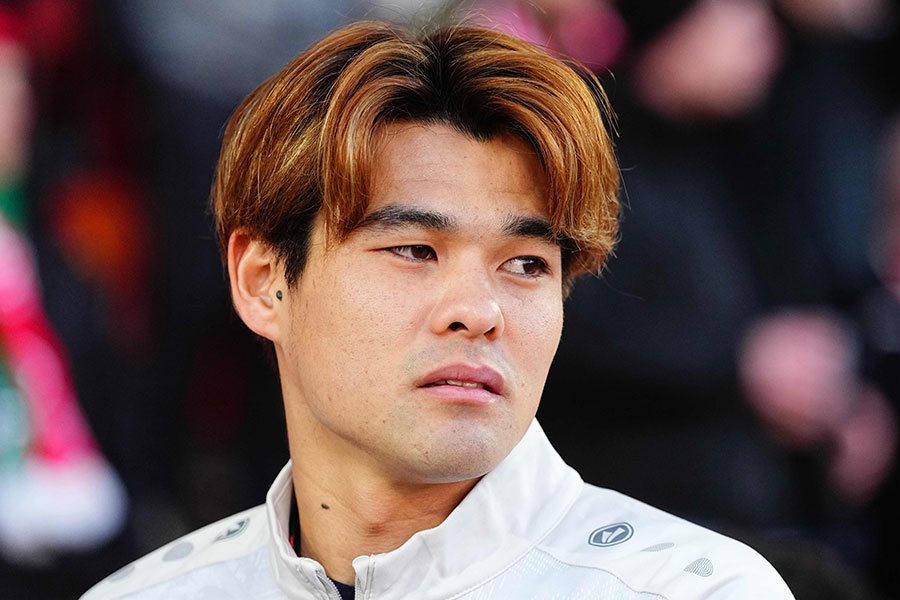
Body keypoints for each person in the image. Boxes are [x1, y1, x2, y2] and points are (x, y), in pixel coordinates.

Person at [81, 20, 794, 600]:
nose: (479, 312)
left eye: (527, 265)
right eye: (415, 250)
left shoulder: (688, 590)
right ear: (263, 280)